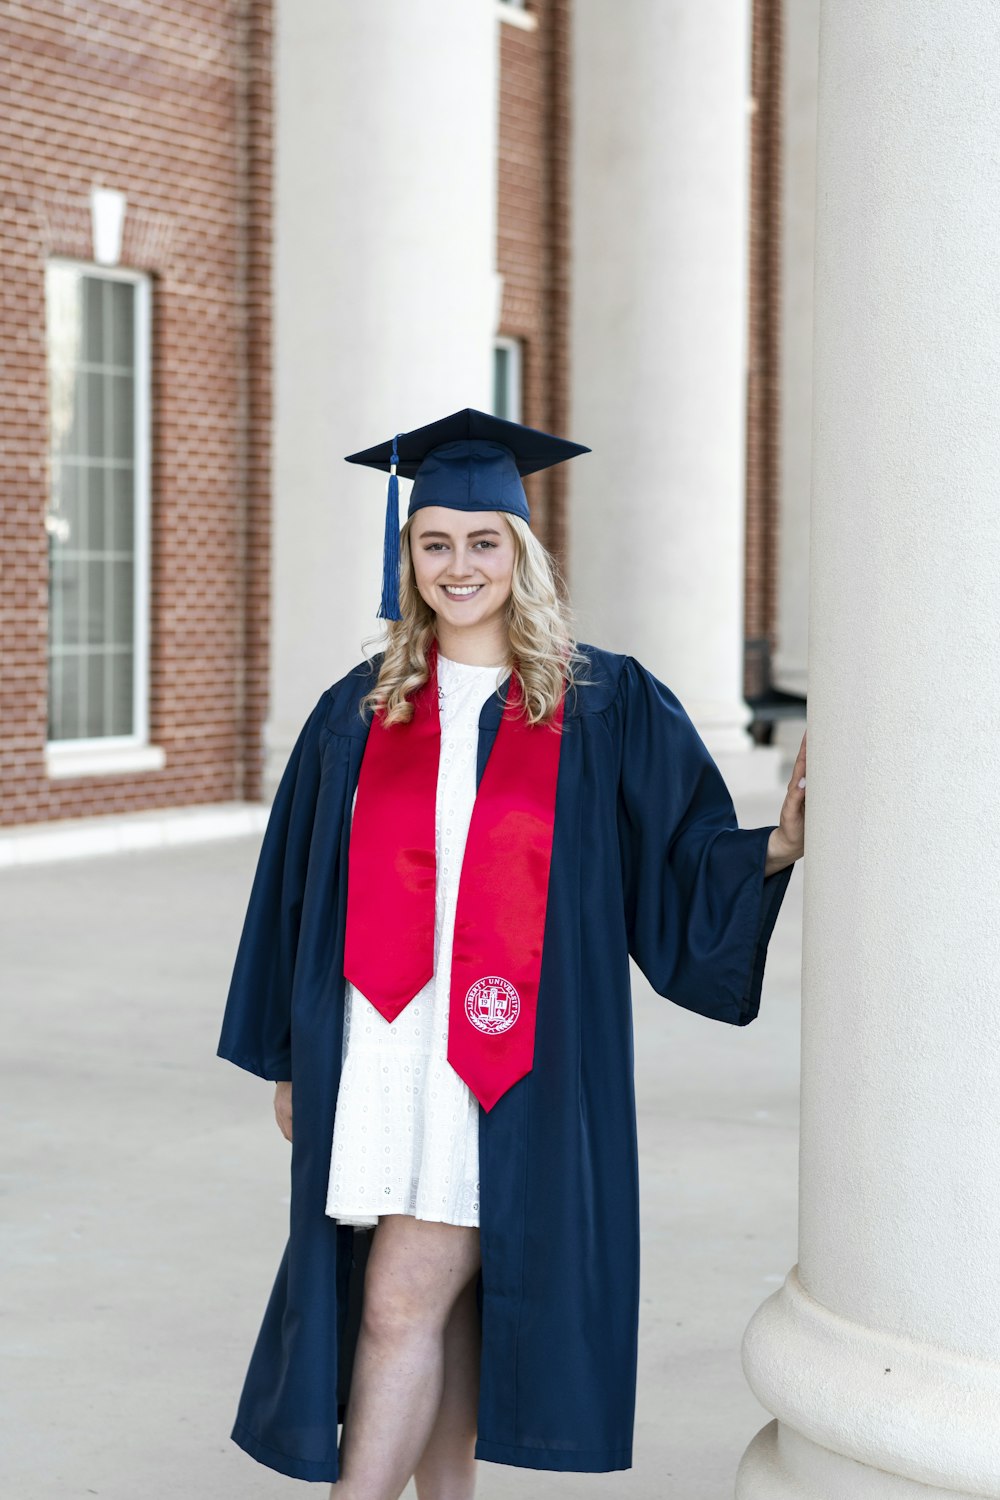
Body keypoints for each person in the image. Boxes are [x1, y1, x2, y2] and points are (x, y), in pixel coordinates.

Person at [217, 407, 806, 1498]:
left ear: (521, 551)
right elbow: (294, 892)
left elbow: (675, 854)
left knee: (399, 1299)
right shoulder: (359, 711)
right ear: (408, 556)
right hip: (384, 1052)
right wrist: (290, 1054)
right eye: (434, 542)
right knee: (441, 1310)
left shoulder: (602, 701)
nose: (458, 565)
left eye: (483, 541)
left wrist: (767, 847)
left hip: (512, 1054)